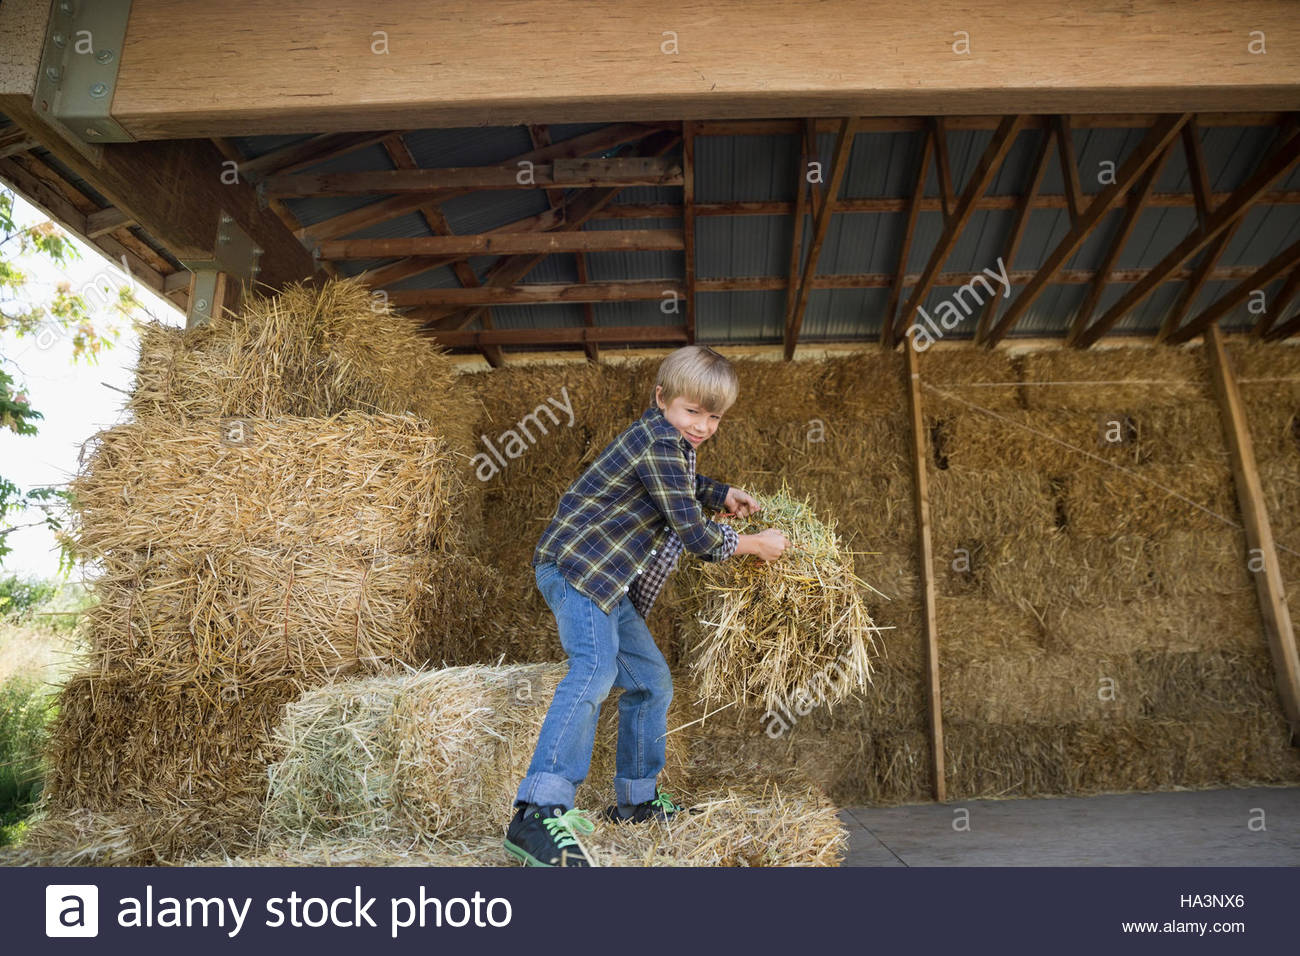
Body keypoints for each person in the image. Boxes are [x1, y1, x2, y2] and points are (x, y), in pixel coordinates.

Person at [502, 345, 789, 867]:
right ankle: (536, 811)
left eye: (714, 417)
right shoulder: (658, 440)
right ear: (662, 399)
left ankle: (635, 802)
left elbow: (680, 486)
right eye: (692, 411)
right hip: (578, 570)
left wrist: (720, 491)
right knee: (593, 669)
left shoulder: (669, 443)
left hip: (610, 582)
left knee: (651, 681)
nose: (702, 426)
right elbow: (696, 536)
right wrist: (753, 544)